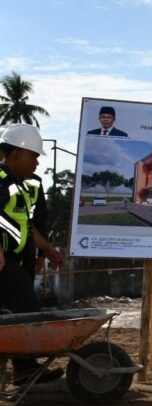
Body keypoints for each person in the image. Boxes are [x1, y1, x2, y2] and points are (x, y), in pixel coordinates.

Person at [1, 124, 65, 385]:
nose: (37, 162)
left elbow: (26, 224)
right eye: (34, 155)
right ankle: (25, 366)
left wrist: (47, 249)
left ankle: (23, 368)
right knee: (24, 308)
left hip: (14, 260)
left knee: (17, 313)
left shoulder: (18, 184)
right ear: (16, 154)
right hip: (5, 263)